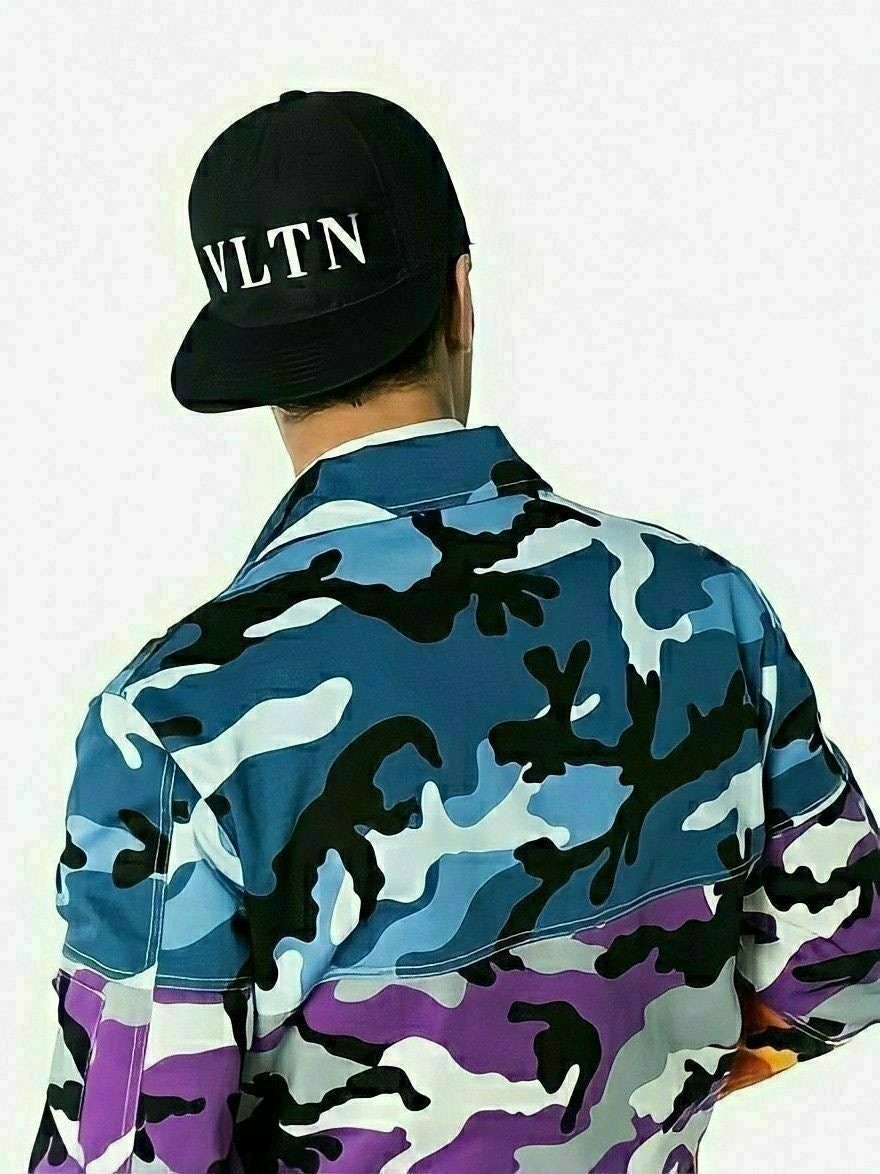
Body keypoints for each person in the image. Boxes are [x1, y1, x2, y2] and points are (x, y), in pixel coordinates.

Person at [29, 89, 880, 1174]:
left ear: (252, 364)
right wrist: (637, 1098)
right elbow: (838, 962)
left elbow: (126, 1153)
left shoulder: (177, 720)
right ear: (461, 296)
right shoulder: (708, 606)